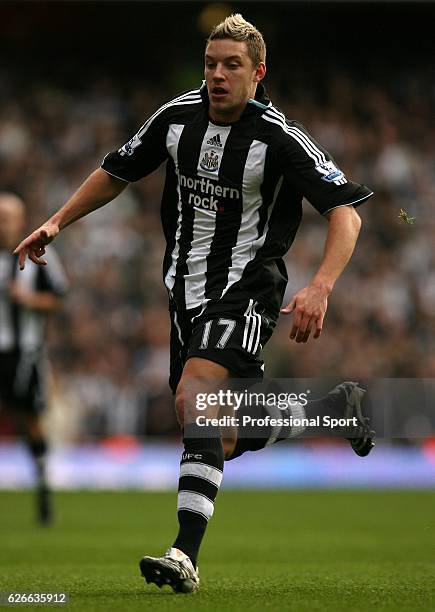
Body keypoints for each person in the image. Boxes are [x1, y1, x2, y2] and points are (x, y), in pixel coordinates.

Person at [14, 14, 374, 591]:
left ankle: (184, 555)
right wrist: (57, 221)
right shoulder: (176, 117)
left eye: (232, 65)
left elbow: (346, 212)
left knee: (197, 394)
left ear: (258, 74)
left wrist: (322, 284)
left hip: (247, 287)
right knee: (217, 433)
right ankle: (334, 410)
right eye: (211, 63)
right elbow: (116, 171)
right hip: (184, 294)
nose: (218, 75)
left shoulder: (278, 138)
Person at [0, 192, 68, 524]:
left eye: (6, 217)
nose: (2, 225)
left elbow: (58, 300)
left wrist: (26, 299)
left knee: (29, 420)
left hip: (25, 354)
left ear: (19, 220)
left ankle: (43, 486)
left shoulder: (39, 256)